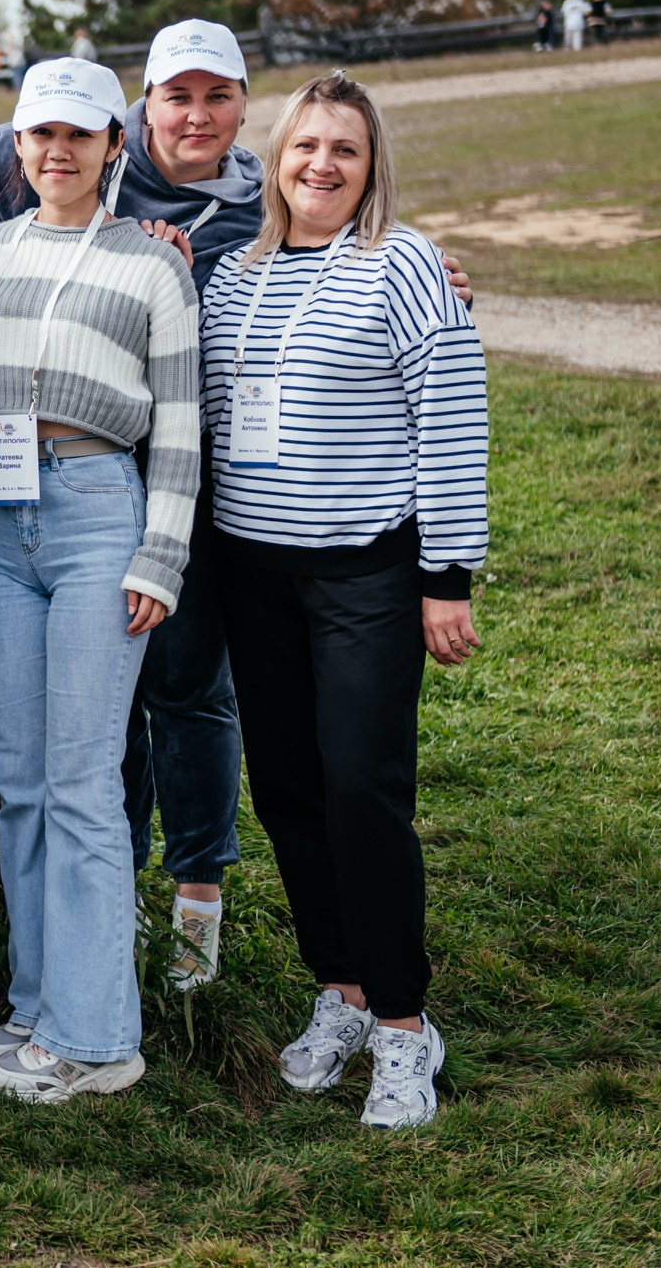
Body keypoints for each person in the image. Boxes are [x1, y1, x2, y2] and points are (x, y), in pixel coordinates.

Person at [0, 19, 471, 995]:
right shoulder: (39, 209)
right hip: (55, 498)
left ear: (244, 109)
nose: (196, 115)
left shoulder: (267, 204)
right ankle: (94, 940)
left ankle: (196, 899)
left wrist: (422, 272)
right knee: (91, 747)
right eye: (177, 95)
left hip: (196, 489)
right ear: (142, 109)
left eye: (217, 97)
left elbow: (362, 291)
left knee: (192, 693)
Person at [198, 71, 487, 1131]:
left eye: (345, 151)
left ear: (371, 170)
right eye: (305, 145)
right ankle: (345, 990)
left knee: (363, 786)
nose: (321, 164)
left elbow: (451, 414)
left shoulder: (405, 265)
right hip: (252, 573)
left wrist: (444, 575)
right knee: (287, 790)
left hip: (366, 571)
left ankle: (406, 1026)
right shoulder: (235, 278)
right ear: (276, 160)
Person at [0, 59, 203, 1101]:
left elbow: (181, 426)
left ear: (112, 148)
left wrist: (162, 556)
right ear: (17, 148)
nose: (58, 152)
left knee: (87, 782)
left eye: (79, 136)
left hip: (101, 516)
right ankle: (39, 1009)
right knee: (22, 784)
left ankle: (101, 1041)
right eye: (39, 135)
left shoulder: (152, 266)